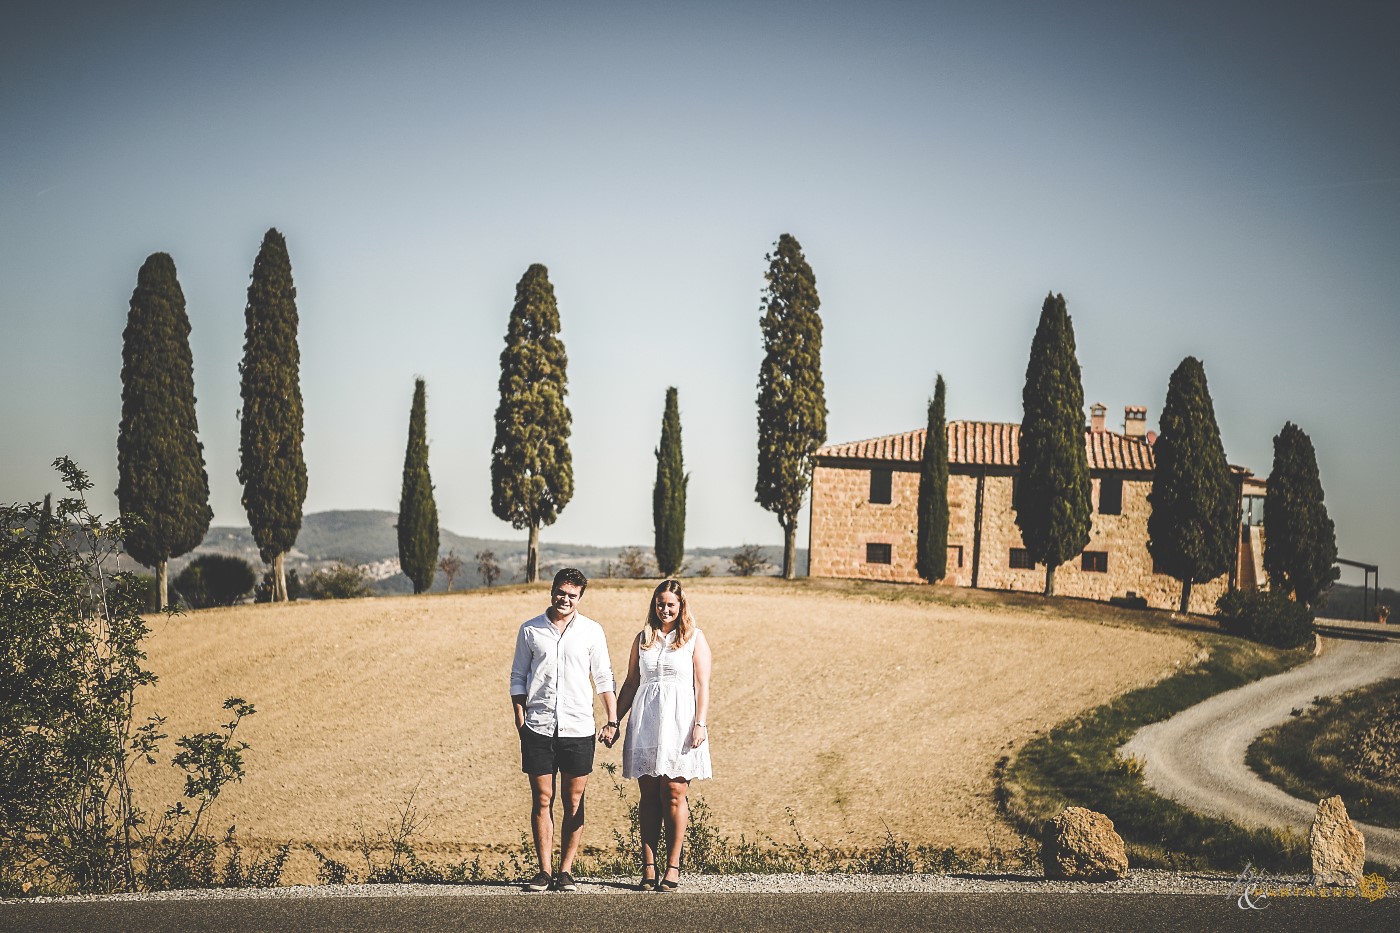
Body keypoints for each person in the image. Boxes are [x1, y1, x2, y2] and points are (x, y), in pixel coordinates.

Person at [509, 568, 618, 893]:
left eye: (572, 595)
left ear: (580, 596)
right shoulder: (531, 630)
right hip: (539, 727)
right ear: (552, 590)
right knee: (542, 798)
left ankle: (566, 870)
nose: (565, 599)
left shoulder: (591, 631)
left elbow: (603, 677)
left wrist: (612, 718)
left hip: (578, 727)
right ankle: (544, 871)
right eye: (561, 592)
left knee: (574, 800)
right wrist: (519, 716)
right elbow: (518, 675)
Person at [610, 578, 712, 892]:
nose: (665, 609)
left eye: (670, 604)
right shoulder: (643, 638)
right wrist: (614, 721)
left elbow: (701, 685)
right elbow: (630, 684)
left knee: (674, 793)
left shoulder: (694, 638)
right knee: (650, 796)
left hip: (681, 723)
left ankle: (673, 866)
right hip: (646, 722)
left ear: (681, 607)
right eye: (660, 603)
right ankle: (648, 867)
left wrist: (700, 724)